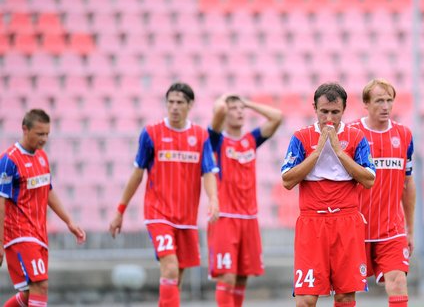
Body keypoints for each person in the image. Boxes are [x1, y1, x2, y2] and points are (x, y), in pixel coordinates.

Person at [108, 82, 220, 307]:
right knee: (169, 267)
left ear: (190, 105)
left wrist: (214, 199)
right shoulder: (150, 133)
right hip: (158, 213)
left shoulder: (200, 136)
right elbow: (137, 174)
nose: (174, 107)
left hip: (186, 218)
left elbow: (208, 172)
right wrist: (120, 210)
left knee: (176, 277)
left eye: (180, 102)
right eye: (170, 102)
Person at [281, 82, 376, 307]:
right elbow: (287, 180)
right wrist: (317, 152)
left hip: (347, 222)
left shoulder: (356, 137)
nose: (329, 119)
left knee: (345, 297)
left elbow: (369, 179)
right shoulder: (301, 137)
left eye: (335, 112)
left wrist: (339, 152)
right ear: (314, 108)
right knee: (306, 299)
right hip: (312, 222)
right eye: (324, 112)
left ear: (344, 109)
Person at [0, 109, 86, 307]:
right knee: (41, 285)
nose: (45, 138)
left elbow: (47, 190)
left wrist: (70, 222)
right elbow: (1, 203)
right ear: (25, 129)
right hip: (19, 233)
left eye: (47, 133)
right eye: (40, 134)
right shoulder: (8, 161)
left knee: (30, 294)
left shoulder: (42, 157)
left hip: (39, 233)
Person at [207, 94, 283, 307]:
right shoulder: (217, 140)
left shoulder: (250, 140)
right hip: (225, 217)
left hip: (249, 218)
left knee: (242, 277)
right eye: (234, 108)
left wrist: (247, 103)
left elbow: (277, 117)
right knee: (227, 276)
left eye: (242, 109)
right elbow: (218, 109)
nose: (239, 111)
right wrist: (225, 102)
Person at [348, 79, 415, 307]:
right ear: (366, 103)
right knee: (345, 292)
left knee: (397, 281)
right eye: (379, 101)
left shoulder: (404, 135)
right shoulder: (351, 133)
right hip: (355, 228)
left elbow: (407, 183)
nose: (386, 106)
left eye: (389, 100)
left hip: (391, 228)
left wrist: (410, 229)